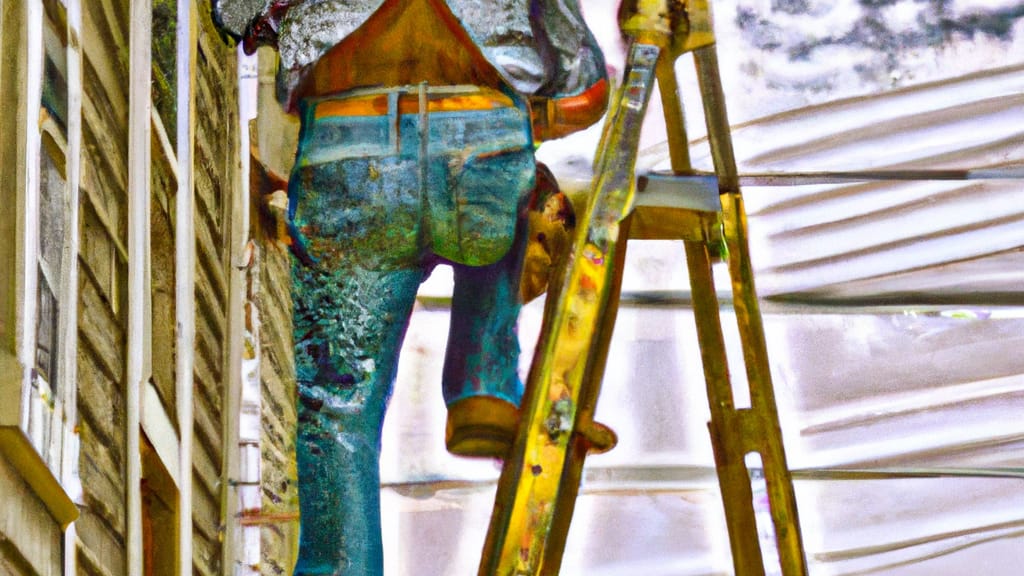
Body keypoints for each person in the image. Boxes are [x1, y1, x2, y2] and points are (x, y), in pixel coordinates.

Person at [212, 0, 607, 573]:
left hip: (349, 148)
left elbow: (230, 14)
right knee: (520, 191)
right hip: (484, 146)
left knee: (339, 410)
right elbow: (585, 87)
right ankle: (482, 381)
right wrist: (524, 118)